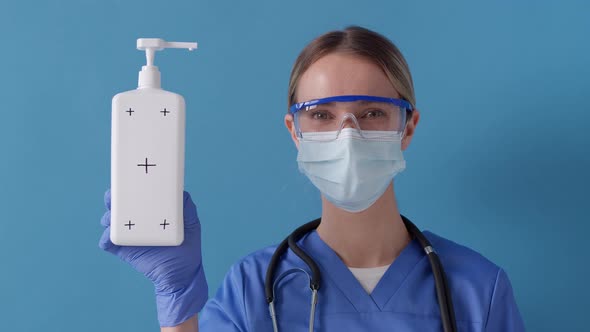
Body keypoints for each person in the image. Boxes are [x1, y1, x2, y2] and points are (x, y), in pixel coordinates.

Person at [99, 26, 525, 331]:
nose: (348, 135)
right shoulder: (253, 287)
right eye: (321, 115)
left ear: (407, 128)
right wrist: (177, 304)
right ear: (295, 132)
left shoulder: (476, 289)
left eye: (372, 113)